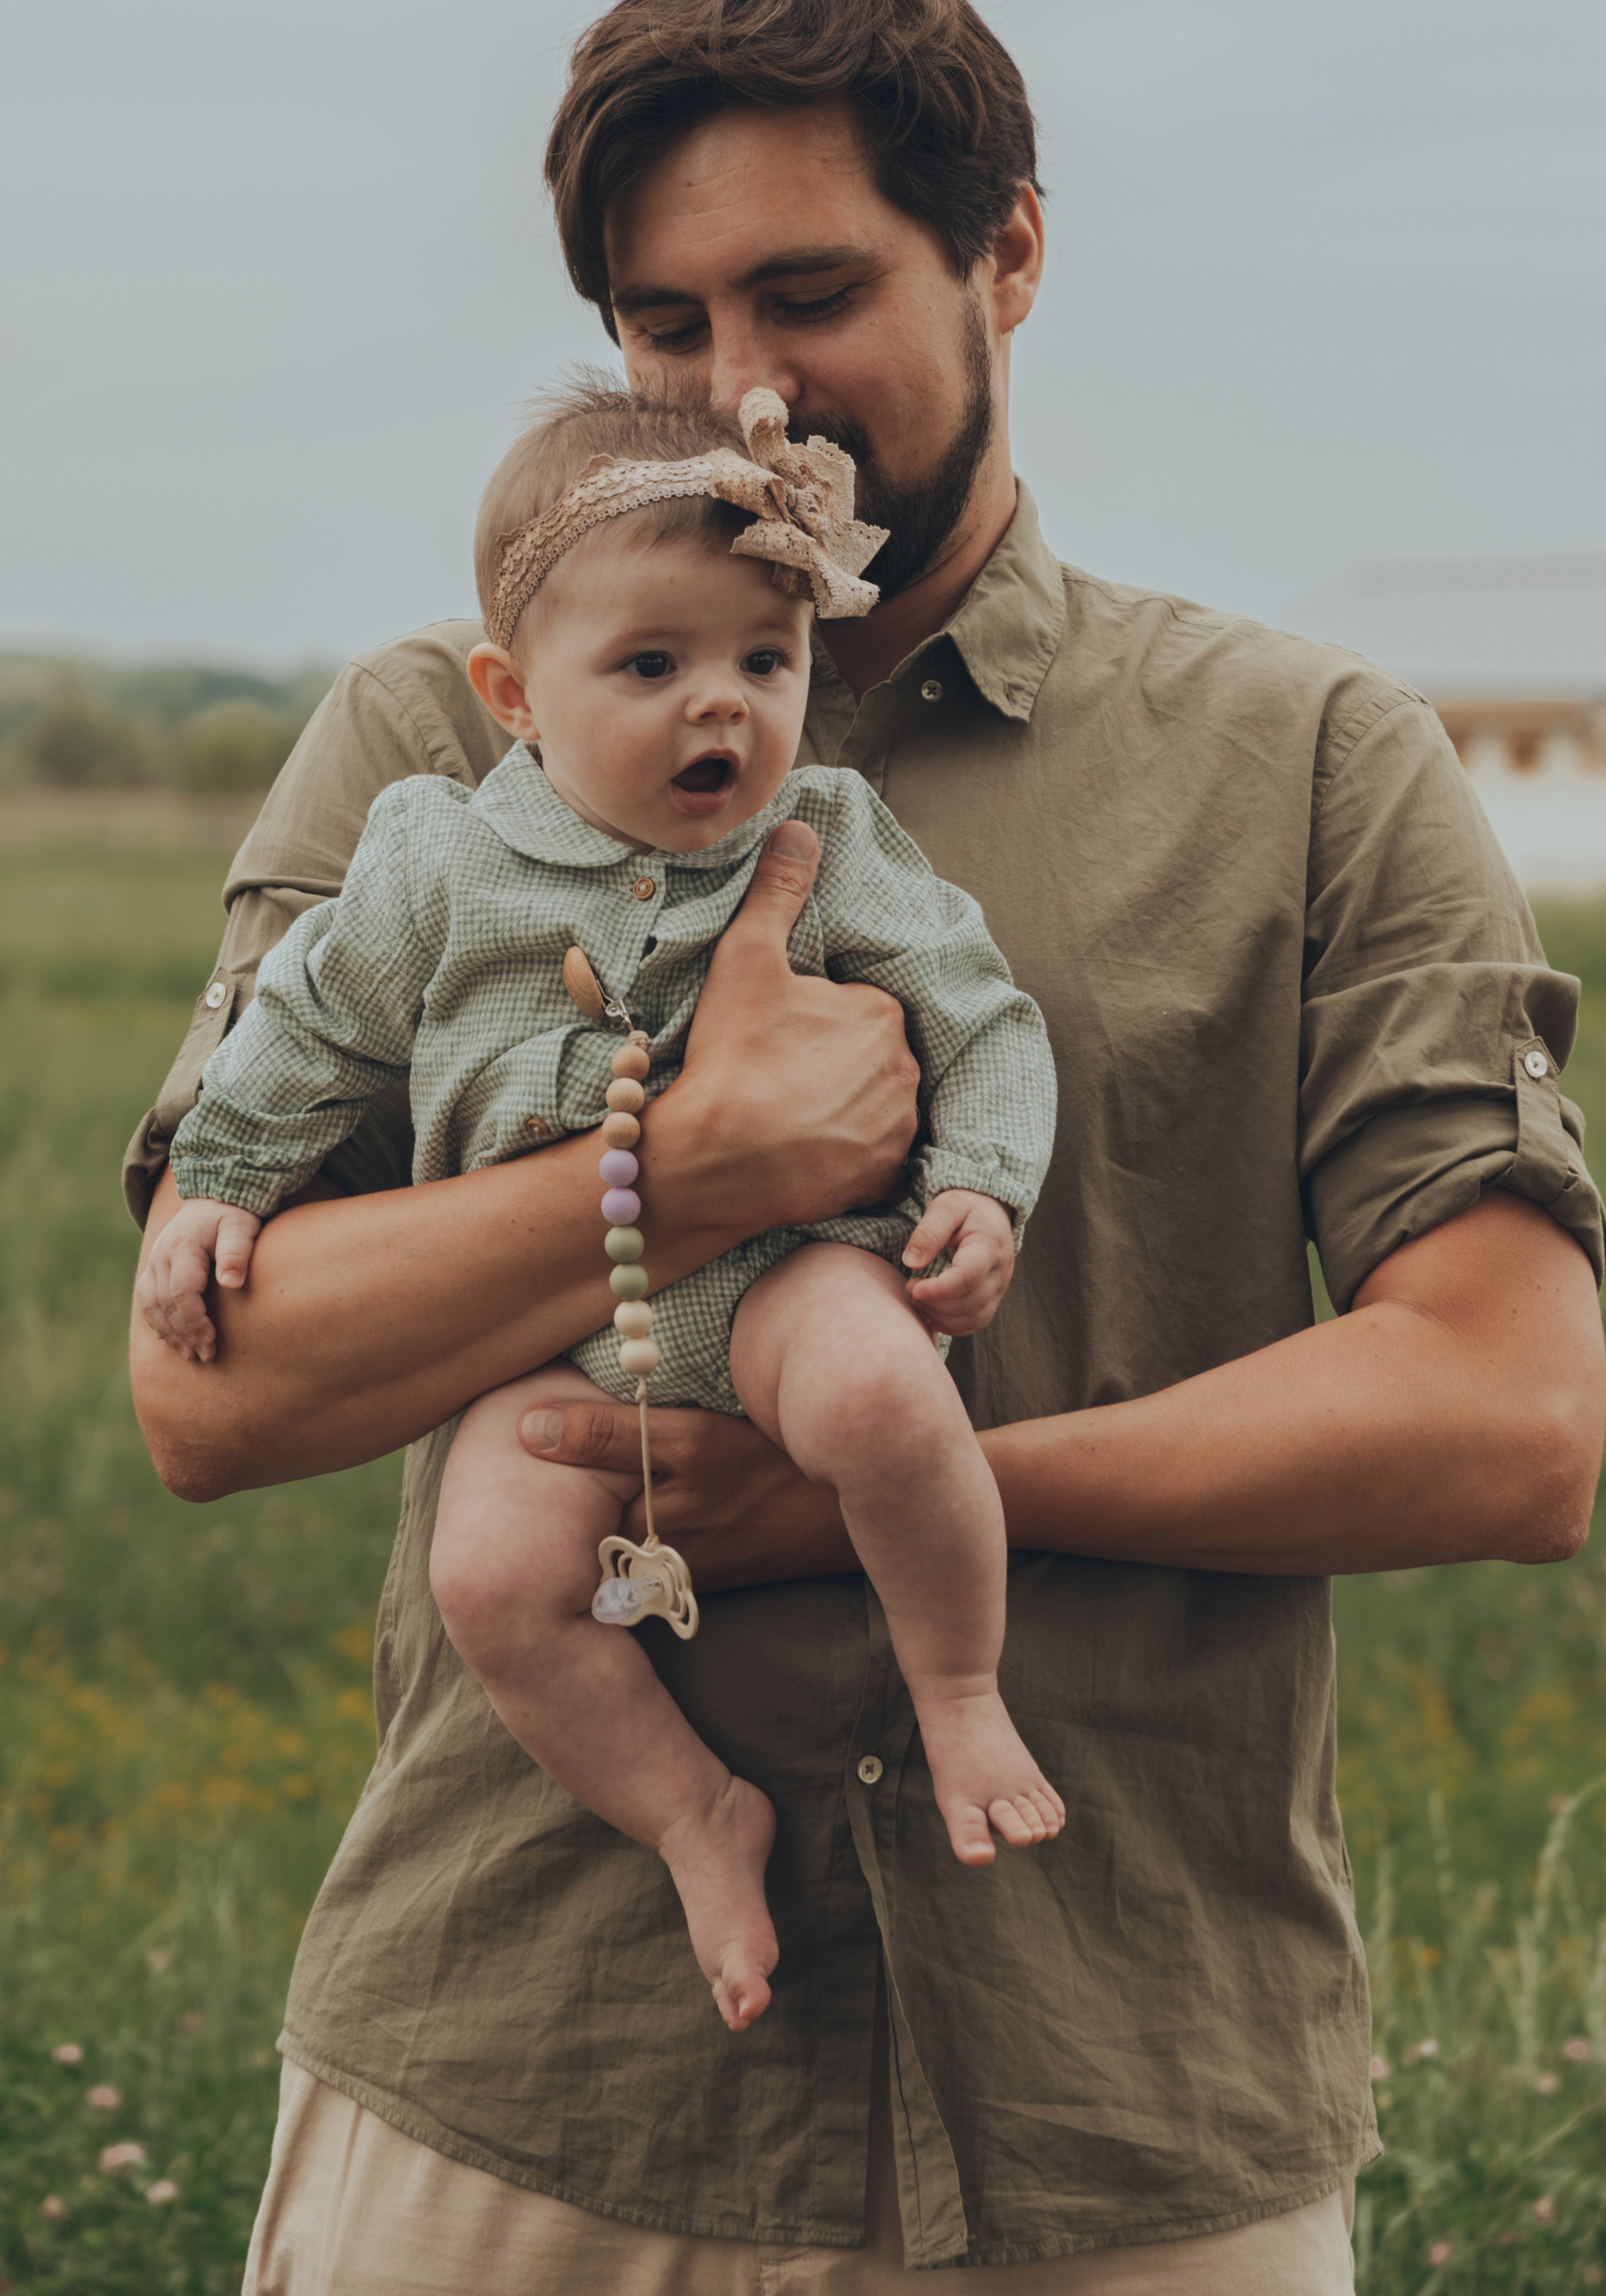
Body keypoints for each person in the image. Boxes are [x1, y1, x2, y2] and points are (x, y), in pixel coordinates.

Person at [128, 0, 1606, 2293]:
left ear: (1005, 254)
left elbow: (1509, 1420)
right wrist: (693, 1171)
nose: (744, 390)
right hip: (522, 2100)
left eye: (810, 294)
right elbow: (210, 1392)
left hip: (1120, 2121)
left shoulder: (1310, 758)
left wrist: (862, 1493)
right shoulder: (431, 747)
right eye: (664, 318)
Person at [138, 380, 1063, 2033]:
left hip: (786, 1274)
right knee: (493, 1580)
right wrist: (221, 1178)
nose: (722, 707)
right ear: (514, 694)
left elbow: (978, 1012)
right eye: (651, 667)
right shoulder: (437, 862)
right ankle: (695, 1817)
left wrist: (984, 1188)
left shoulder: (826, 835)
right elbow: (312, 1024)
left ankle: (960, 1687)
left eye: (766, 662)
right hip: (553, 1335)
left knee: (882, 1396)